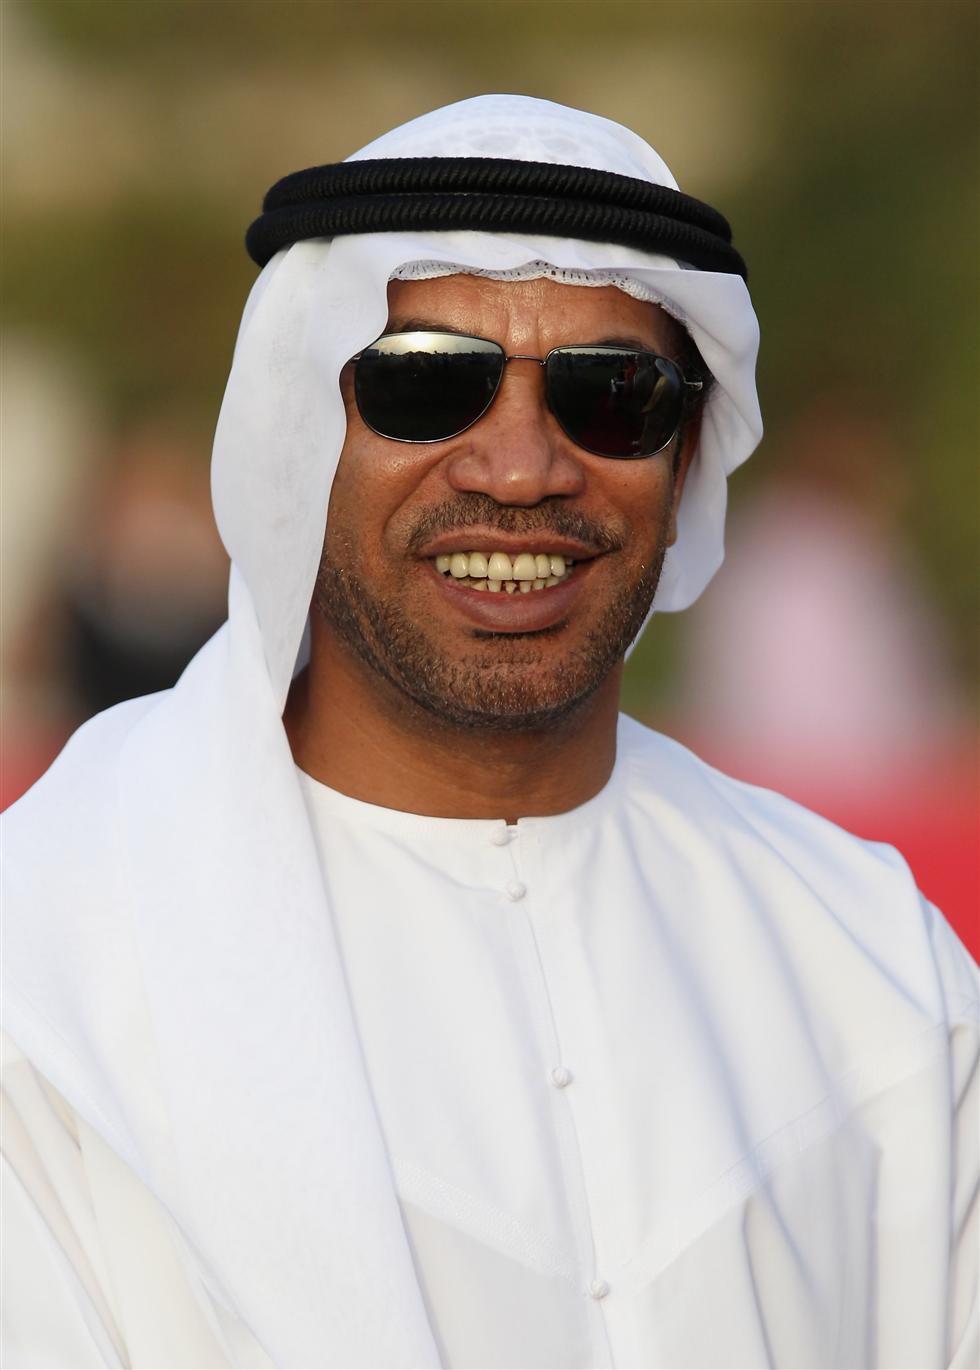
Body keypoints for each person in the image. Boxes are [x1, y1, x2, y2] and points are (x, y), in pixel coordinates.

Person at [2, 96, 976, 1370]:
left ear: (685, 459)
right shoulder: (52, 963)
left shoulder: (868, 958)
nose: (519, 469)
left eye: (611, 395)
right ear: (302, 435)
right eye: (424, 384)